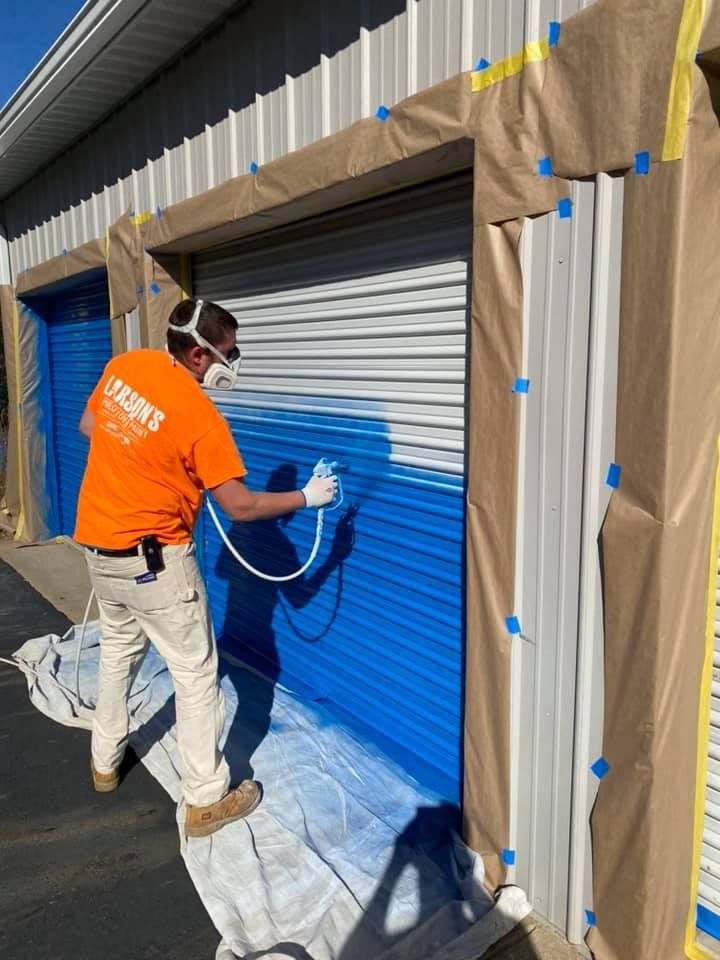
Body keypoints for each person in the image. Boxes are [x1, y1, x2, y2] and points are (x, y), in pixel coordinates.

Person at [73, 298, 337, 838]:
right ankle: (205, 800)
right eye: (229, 352)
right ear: (199, 355)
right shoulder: (200, 418)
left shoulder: (128, 365)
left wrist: (146, 461)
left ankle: (104, 763)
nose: (233, 362)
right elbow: (240, 506)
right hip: (155, 565)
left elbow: (88, 425)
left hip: (99, 549)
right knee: (195, 677)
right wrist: (308, 498)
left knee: (118, 655)